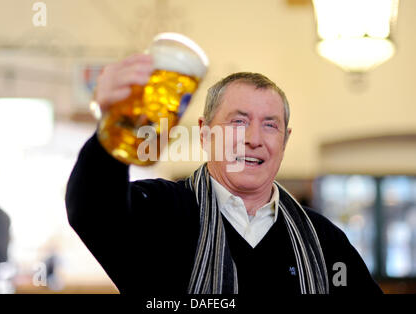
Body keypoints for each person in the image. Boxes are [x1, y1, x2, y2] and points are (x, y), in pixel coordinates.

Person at [65, 54, 382, 294]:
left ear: (284, 140)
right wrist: (115, 123)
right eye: (238, 121)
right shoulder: (160, 212)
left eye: (270, 125)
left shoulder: (325, 241)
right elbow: (92, 209)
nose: (254, 139)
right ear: (205, 134)